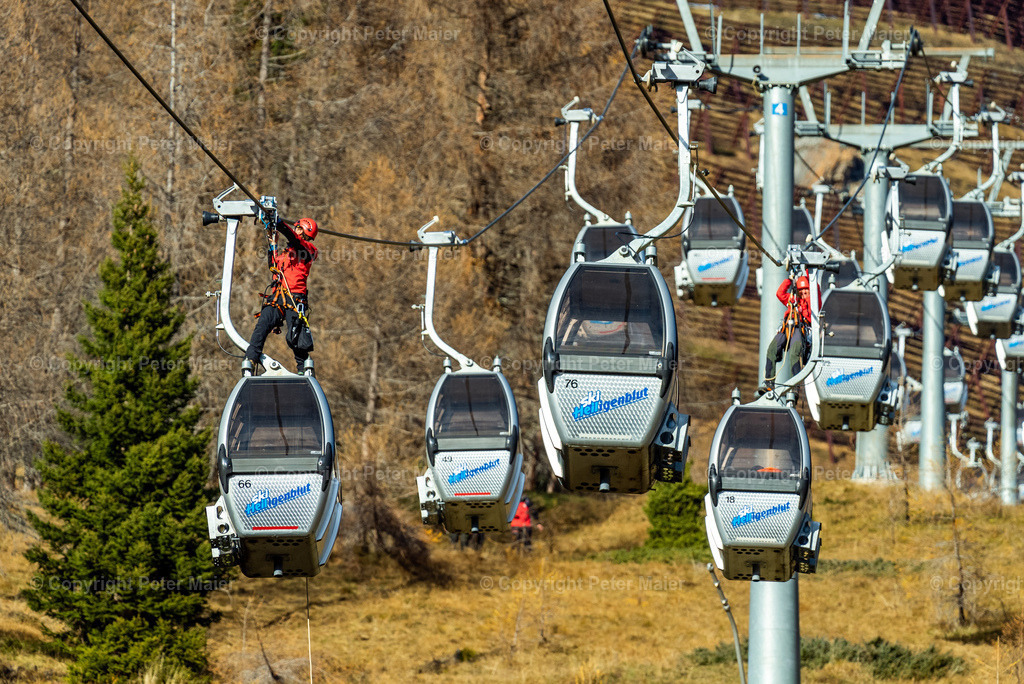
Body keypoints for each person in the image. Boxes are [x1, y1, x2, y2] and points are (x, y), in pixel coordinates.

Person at [243, 217, 319, 374]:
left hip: (295, 299)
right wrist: (273, 245)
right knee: (262, 324)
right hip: (278, 298)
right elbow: (273, 266)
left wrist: (279, 224)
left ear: (303, 230)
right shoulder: (286, 254)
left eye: (298, 228)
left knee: (295, 337)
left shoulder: (308, 250)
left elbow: (294, 239)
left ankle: (304, 369)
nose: (295, 230)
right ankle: (250, 359)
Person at [762, 274, 816, 392]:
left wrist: (809, 273)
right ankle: (769, 382)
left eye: (806, 291)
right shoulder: (793, 300)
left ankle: (794, 385)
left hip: (800, 329)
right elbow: (779, 293)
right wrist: (789, 281)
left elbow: (815, 289)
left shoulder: (812, 303)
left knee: (794, 353)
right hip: (786, 328)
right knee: (772, 349)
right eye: (801, 291)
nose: (803, 294)